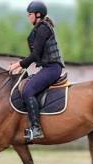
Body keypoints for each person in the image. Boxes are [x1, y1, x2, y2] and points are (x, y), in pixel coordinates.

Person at [9, 1, 65, 142]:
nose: (28, 17)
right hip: (47, 68)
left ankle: (36, 128)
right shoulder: (40, 28)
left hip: (52, 68)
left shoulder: (43, 28)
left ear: (38, 15)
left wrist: (18, 64)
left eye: (30, 15)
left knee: (28, 90)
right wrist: (23, 67)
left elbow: (35, 55)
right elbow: (37, 56)